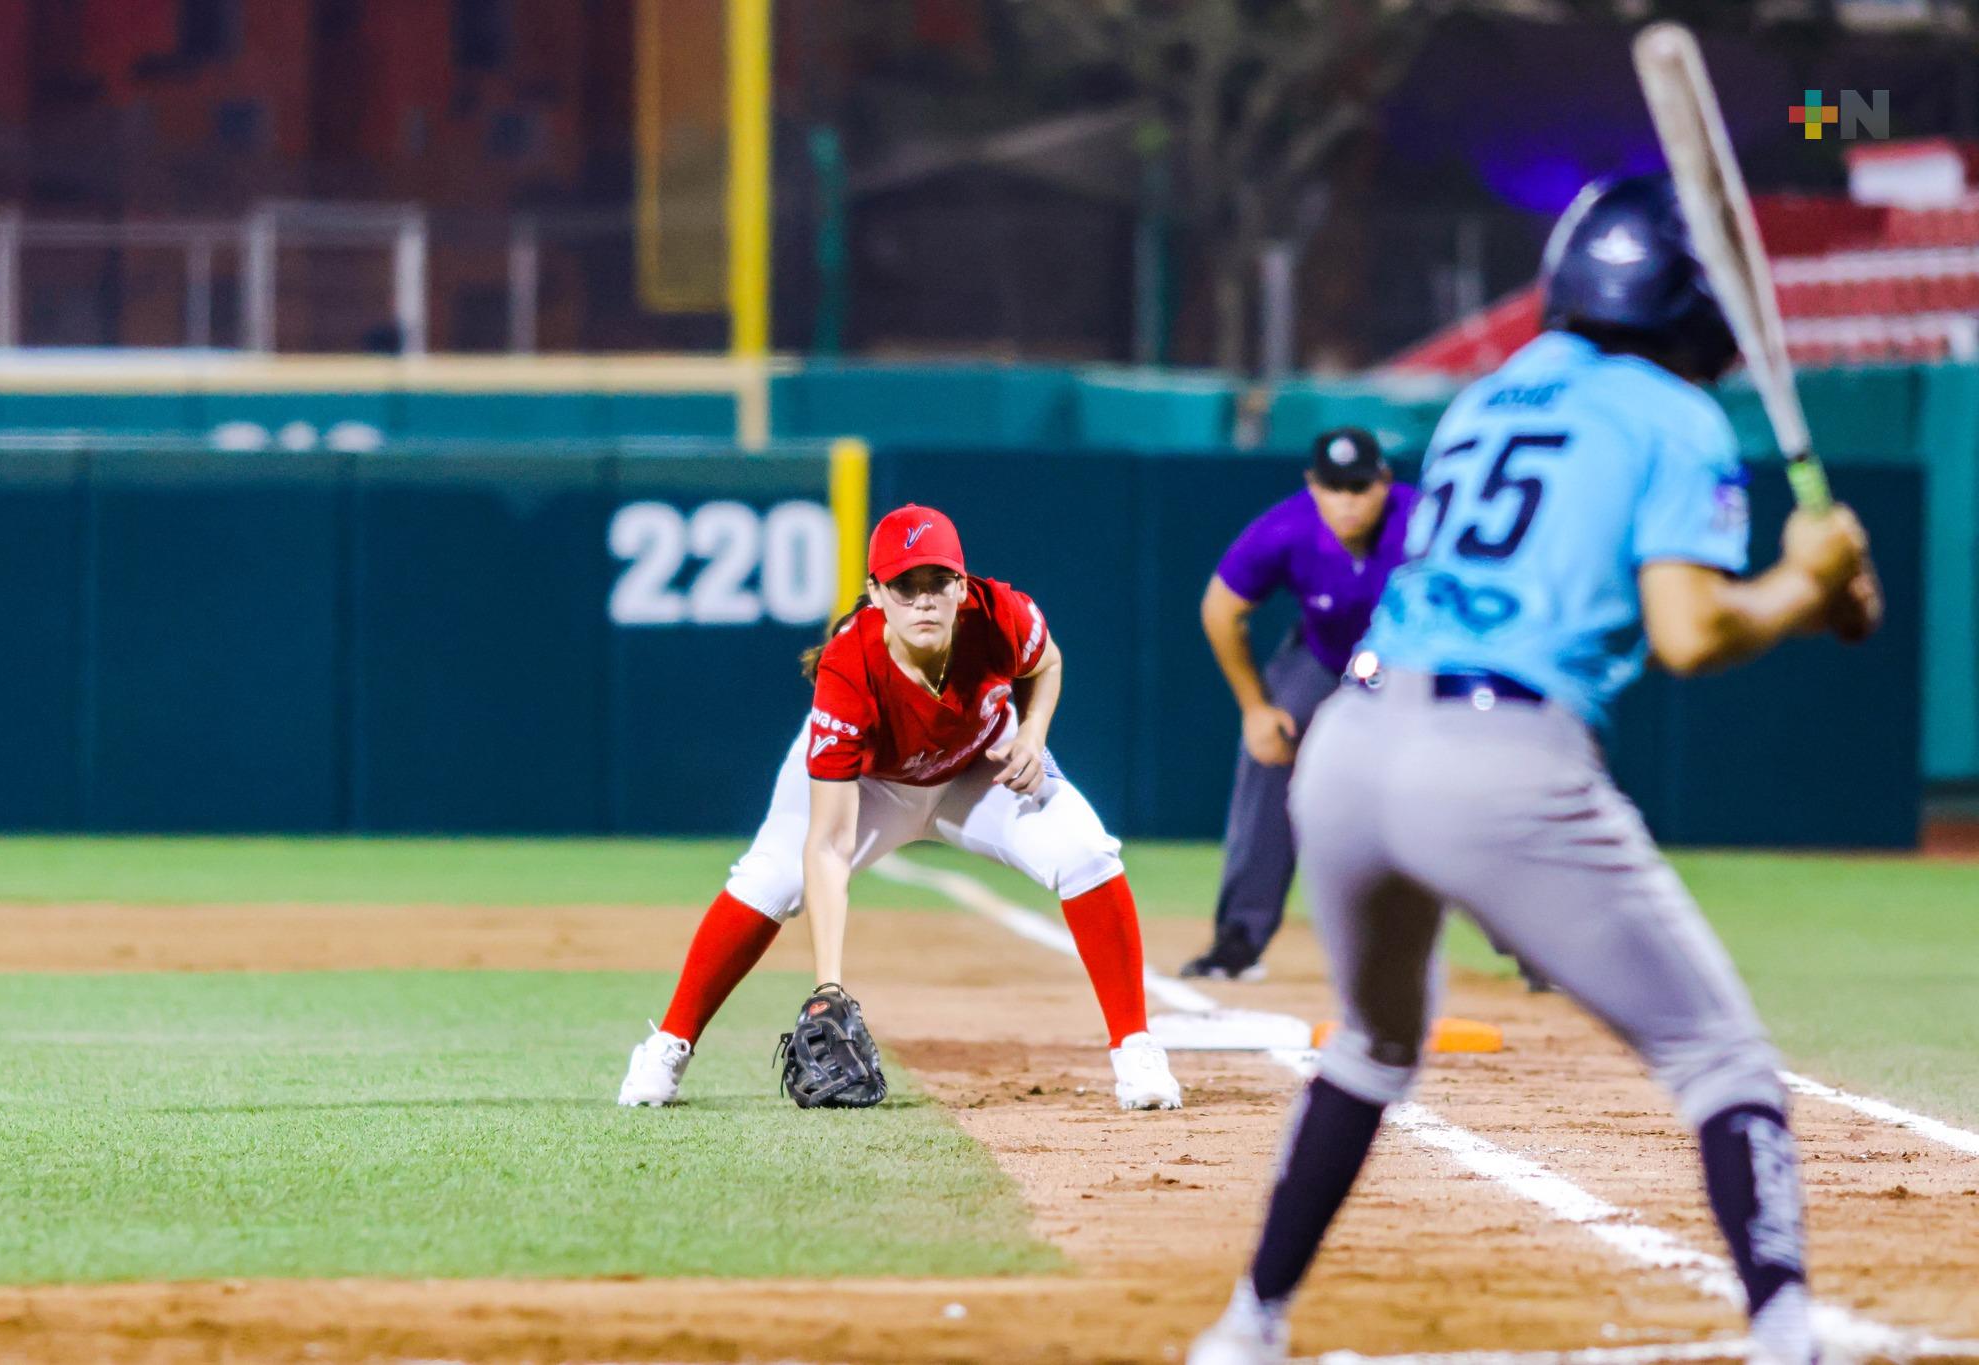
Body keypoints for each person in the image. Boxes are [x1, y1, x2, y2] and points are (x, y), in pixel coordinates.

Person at [1188, 174, 1880, 1365]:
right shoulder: (1676, 415)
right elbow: (1690, 633)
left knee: (1371, 1044)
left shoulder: (1485, 398)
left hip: (1348, 749)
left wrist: (1808, 595)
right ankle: (1784, 1334)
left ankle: (1246, 1327)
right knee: (1719, 1059)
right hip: (1497, 753)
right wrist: (1806, 592)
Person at [618, 504, 1183, 1112]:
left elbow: (1046, 663)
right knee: (770, 879)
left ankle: (1135, 1046)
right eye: (903, 586)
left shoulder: (1000, 615)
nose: (923, 601)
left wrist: (1034, 733)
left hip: (977, 767)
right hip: (874, 787)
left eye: (937, 583)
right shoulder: (848, 667)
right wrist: (827, 984)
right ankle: (668, 1046)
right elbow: (830, 845)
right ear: (875, 594)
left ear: (961, 586)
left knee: (1086, 853)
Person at [1180, 427, 1416, 981]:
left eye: (1360, 486)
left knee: (1472, 777)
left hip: (1411, 661)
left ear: (1385, 481)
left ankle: (1532, 951)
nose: (1348, 500)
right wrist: (1255, 709)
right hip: (1324, 656)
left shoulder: (1425, 523)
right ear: (1313, 484)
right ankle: (1238, 940)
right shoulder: (1286, 527)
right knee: (1267, 750)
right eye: (1334, 487)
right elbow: (1220, 609)